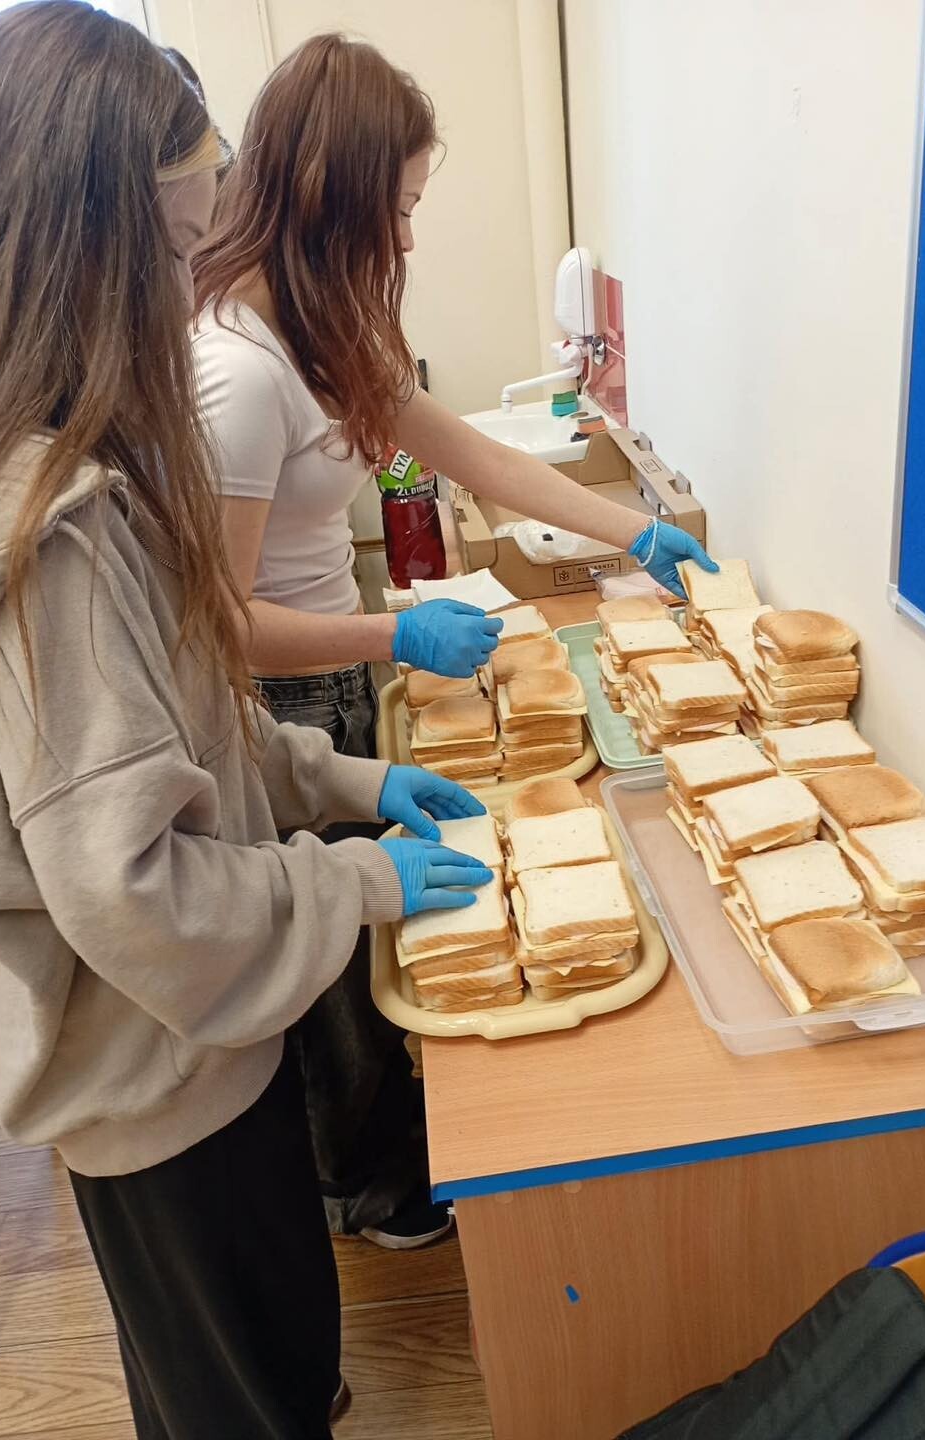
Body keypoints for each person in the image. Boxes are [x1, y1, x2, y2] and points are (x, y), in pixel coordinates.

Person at [0, 6, 493, 1437]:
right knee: (233, 1396)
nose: (197, 291)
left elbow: (195, 728)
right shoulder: (51, 540)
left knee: (278, 1357)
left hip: (198, 1052)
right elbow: (136, 894)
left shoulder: (101, 478)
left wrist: (349, 784)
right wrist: (355, 879)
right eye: (180, 252)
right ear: (83, 256)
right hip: (153, 1075)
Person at [190, 32, 718, 1247]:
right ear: (332, 195)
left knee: (370, 925)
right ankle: (365, 1185)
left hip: (339, 670)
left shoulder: (321, 328)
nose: (410, 237)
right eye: (401, 207)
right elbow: (215, 627)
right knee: (329, 966)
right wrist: (394, 629)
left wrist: (636, 531)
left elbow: (474, 456)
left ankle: (387, 1143)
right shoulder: (235, 370)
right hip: (276, 699)